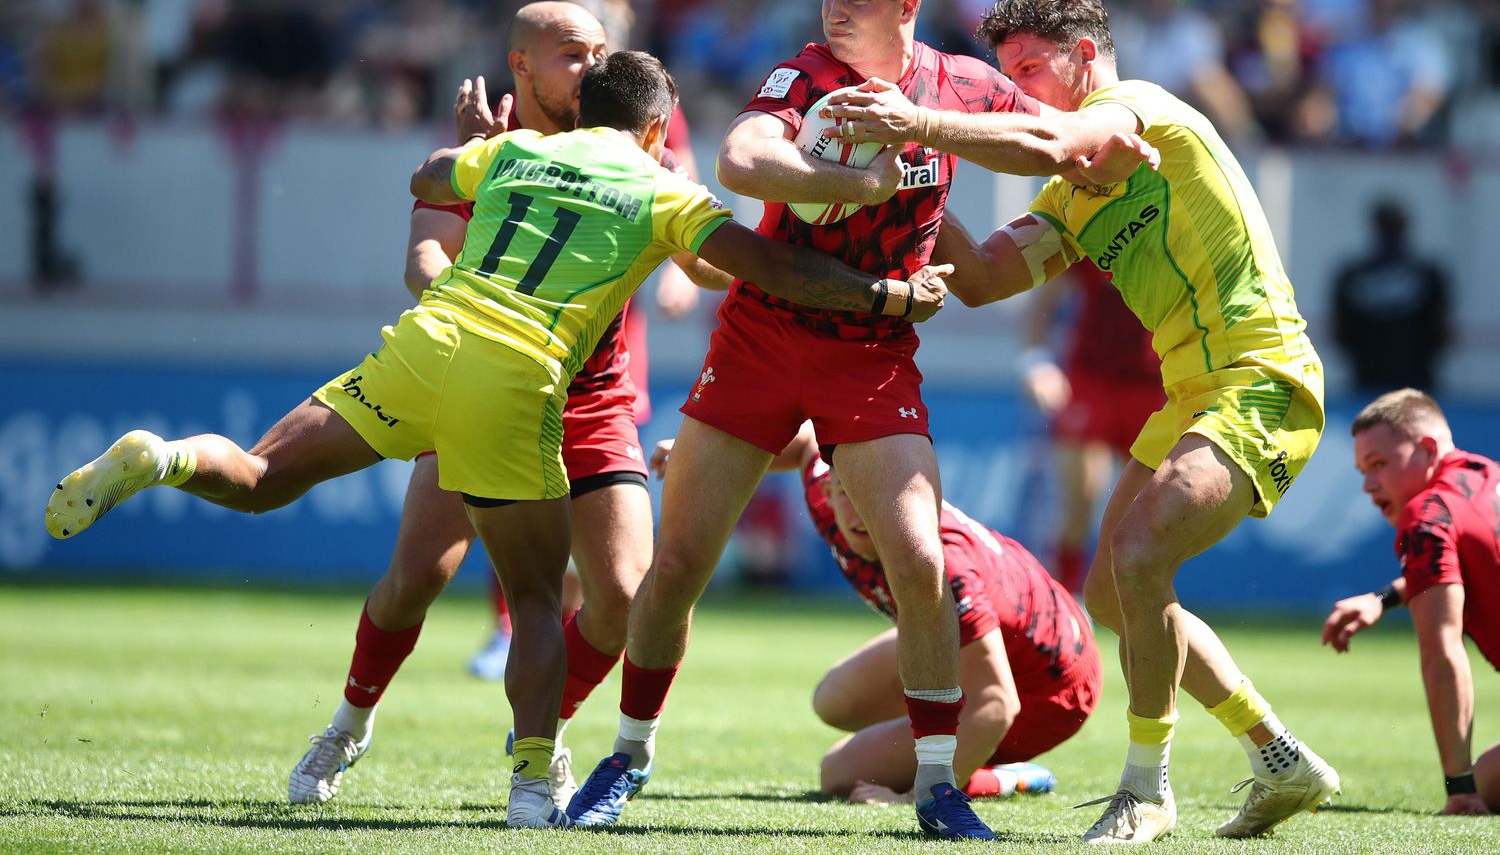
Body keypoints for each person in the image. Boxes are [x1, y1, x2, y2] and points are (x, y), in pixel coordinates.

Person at [45, 49, 951, 830]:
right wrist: (882, 296)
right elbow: (771, 267)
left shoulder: (516, 151)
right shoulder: (661, 187)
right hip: (515, 377)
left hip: (428, 342)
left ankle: (159, 457)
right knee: (529, 591)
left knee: (259, 475)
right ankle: (530, 785)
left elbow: (430, 178)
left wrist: (476, 146)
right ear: (652, 131)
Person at [824, 0, 1340, 843]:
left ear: (1086, 58)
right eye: (1006, 72)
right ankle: (1278, 753)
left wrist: (916, 118)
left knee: (1138, 557)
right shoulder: (1069, 196)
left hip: (1264, 376)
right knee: (1114, 583)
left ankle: (1147, 790)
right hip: (1189, 395)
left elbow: (1052, 132)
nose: (1015, 87)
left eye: (1029, 67)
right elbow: (985, 280)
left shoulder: (1140, 110)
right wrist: (916, 182)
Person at [566, 0, 1040, 842]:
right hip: (763, 337)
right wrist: (855, 183)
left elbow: (1043, 144)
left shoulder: (957, 86)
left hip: (870, 354)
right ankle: (628, 756)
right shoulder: (808, 74)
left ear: (908, 6)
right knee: (679, 569)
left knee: (922, 564)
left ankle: (939, 787)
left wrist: (939, 135)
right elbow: (746, 157)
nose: (834, 10)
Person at [283, 1, 721, 810]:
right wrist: (462, 305)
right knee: (417, 576)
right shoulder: (490, 152)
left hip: (591, 399)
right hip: (487, 379)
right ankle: (347, 724)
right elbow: (424, 253)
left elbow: (703, 259)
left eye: (599, 51)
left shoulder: (638, 149)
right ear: (521, 65)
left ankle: (540, 738)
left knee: (624, 598)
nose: (591, 67)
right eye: (570, 54)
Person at [652, 423, 1101, 803]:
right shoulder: (825, 486)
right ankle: (958, 758)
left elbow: (997, 703)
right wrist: (704, 456)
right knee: (835, 698)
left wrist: (913, 798)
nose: (863, 509)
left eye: (884, 497)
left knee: (840, 773)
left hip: (1052, 688)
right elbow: (809, 439)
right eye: (848, 492)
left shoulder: (946, 565)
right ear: (829, 487)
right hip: (1005, 642)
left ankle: (1003, 777)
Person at [1323, 389, 1499, 816]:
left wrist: (1461, 789)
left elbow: (1441, 654)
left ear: (1427, 449)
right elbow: (1463, 566)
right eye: (1363, 470)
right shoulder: (1488, 475)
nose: (1368, 485)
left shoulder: (1427, 513)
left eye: (1379, 465)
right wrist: (1384, 598)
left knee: (1488, 783)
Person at [1019, 262, 1162, 593]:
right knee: (1081, 493)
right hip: (1091, 376)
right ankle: (1067, 597)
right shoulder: (1096, 225)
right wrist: (1036, 363)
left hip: (1153, 382)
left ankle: (1127, 598)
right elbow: (1043, 301)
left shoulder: (1177, 231)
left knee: (1142, 512)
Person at [1332, 199, 1452, 394]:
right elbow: (1442, 331)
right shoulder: (1428, 273)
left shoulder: (1352, 274)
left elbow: (1339, 332)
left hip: (1369, 381)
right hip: (1414, 382)